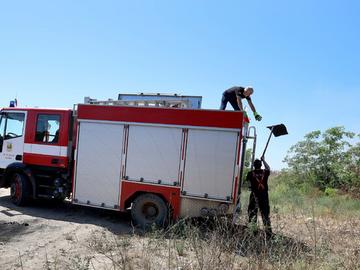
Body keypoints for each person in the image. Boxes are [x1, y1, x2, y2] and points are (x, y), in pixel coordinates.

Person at [247, 156, 272, 238]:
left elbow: (249, 186)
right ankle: (268, 234)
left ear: (254, 165)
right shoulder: (265, 172)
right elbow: (268, 167)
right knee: (265, 214)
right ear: (261, 165)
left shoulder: (250, 173)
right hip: (264, 197)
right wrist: (264, 160)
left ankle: (253, 232)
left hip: (254, 196)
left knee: (252, 214)